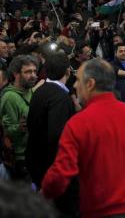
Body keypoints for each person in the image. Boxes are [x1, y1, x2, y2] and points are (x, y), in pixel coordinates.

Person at [41, 59, 125, 217]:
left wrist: (42, 193)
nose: (74, 85)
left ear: (90, 84)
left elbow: (61, 174)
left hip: (102, 210)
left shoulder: (78, 123)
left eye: (78, 80)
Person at [26, 53, 78, 216]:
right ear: (68, 71)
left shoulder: (40, 90)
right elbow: (58, 137)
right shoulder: (60, 97)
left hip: (38, 162)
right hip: (53, 170)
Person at [0, 55, 38, 181]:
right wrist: (19, 128)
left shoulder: (31, 91)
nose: (33, 75)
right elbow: (5, 131)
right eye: (28, 72)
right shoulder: (10, 97)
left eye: (34, 71)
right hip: (20, 159)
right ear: (16, 74)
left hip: (33, 153)